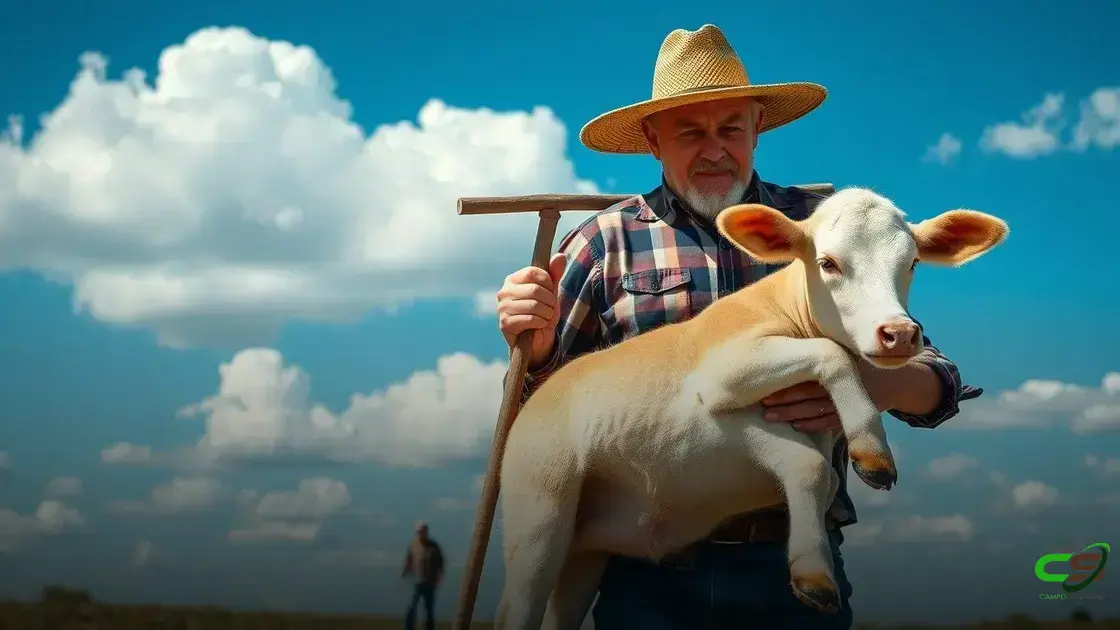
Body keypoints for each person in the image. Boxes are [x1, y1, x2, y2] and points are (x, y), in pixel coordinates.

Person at [494, 24, 982, 630]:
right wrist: (537, 352)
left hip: (792, 563)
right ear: (652, 139)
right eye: (690, 132)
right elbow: (542, 419)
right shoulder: (603, 243)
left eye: (731, 128)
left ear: (757, 127)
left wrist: (860, 388)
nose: (714, 149)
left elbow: (935, 383)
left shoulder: (829, 225)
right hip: (644, 567)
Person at [400, 521, 444, 630]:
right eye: (419, 531)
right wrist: (404, 572)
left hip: (429, 582)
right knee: (411, 607)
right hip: (416, 581)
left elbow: (440, 562)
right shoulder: (413, 544)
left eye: (423, 531)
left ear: (426, 532)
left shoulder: (433, 546)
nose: (421, 533)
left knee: (428, 608)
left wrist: (439, 577)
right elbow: (409, 559)